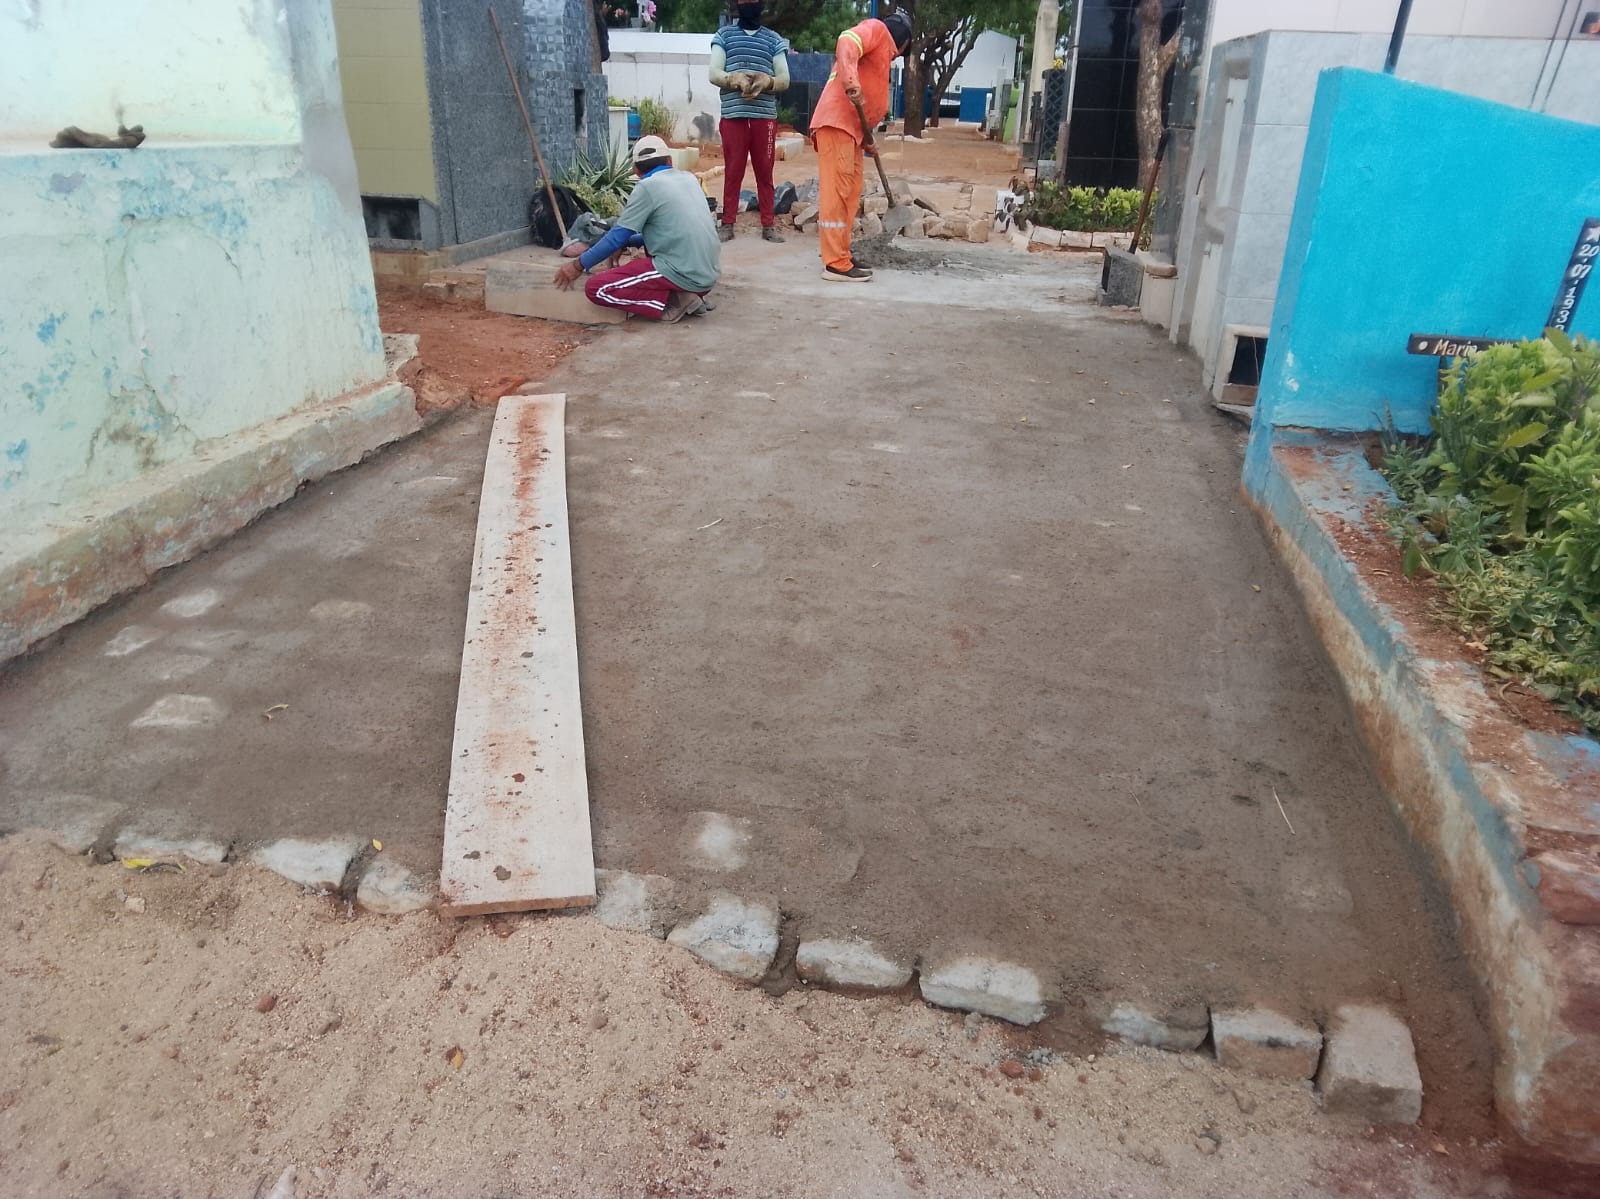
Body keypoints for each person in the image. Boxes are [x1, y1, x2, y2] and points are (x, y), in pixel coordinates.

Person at [553, 135, 721, 323]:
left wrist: (577, 265)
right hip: (707, 278)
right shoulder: (689, 179)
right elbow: (672, 231)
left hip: (685, 277)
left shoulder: (648, 187)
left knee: (597, 288)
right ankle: (689, 295)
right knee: (646, 256)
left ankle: (674, 300)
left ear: (636, 170)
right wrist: (628, 241)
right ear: (670, 161)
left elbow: (616, 236)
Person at [806, 9, 912, 282]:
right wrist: (851, 82)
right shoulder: (877, 30)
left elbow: (867, 107)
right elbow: (847, 40)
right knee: (837, 194)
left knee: (850, 194)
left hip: (852, 132)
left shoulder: (880, 58)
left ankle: (842, 253)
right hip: (836, 125)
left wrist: (868, 141)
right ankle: (834, 264)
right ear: (903, 43)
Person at [708, 3, 790, 244]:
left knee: (765, 172)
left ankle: (768, 224)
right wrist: (733, 79)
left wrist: (768, 82)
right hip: (734, 116)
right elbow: (714, 72)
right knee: (733, 171)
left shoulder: (773, 40)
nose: (749, 4)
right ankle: (728, 223)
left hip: (764, 118)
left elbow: (784, 78)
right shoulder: (724, 36)